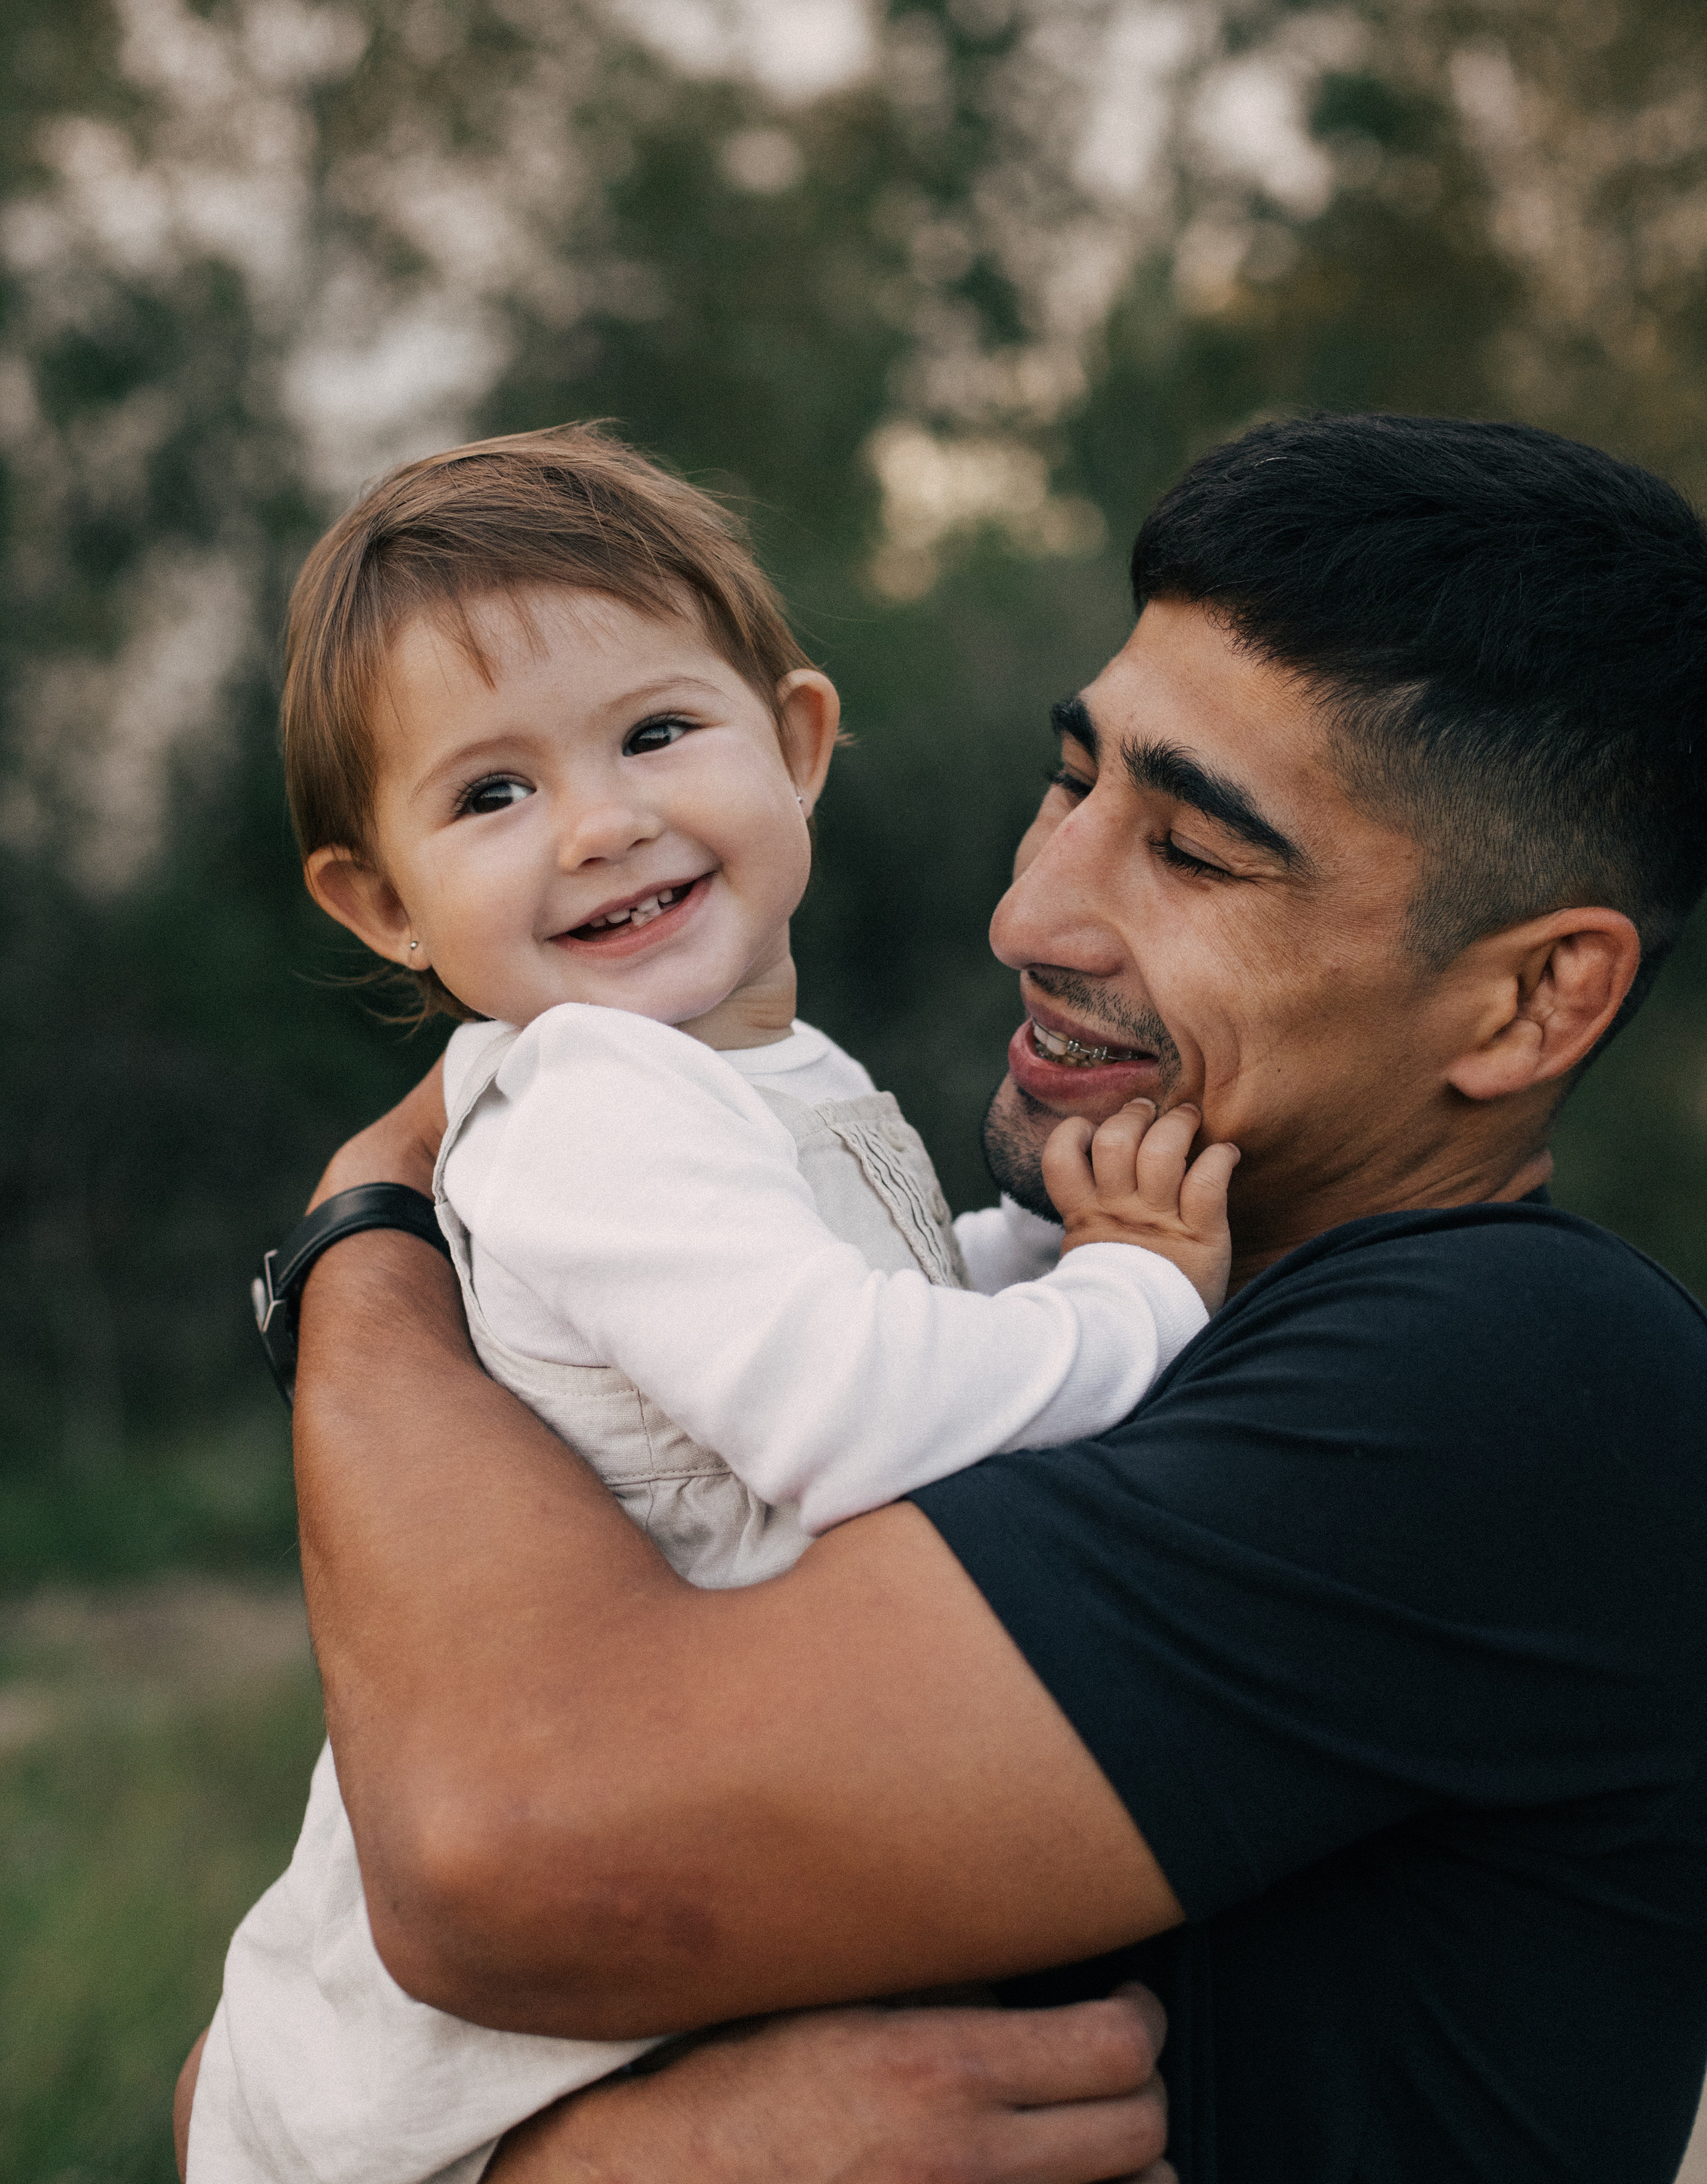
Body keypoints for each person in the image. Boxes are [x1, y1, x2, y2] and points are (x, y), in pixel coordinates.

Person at [183, 413, 1707, 2183]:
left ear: (1531, 1004)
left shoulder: (1518, 1379)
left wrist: (363, 1235)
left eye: (1197, 854)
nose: (1030, 912)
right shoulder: (1109, 1303)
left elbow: (495, 1856)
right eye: (1073, 782)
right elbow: (250, 2067)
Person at [187, 427, 1239, 2184]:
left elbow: (856, 1296)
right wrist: (1136, 1292)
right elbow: (857, 1417)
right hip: (503, 2031)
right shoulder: (598, 1099)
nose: (602, 825)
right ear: (382, 902)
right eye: (490, 795)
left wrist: (1035, 1254)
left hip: (653, 1903)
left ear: (797, 746)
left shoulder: (749, 1072)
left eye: (656, 733)